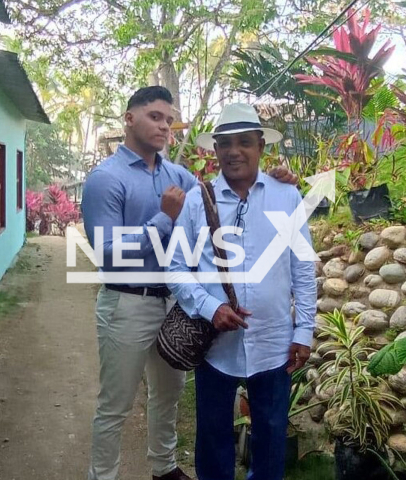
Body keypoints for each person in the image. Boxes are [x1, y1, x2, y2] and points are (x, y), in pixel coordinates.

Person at [81, 87, 298, 480]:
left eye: (169, 119)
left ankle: (163, 468)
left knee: (167, 396)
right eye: (154, 116)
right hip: (128, 302)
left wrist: (276, 178)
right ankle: (103, 476)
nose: (164, 126)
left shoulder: (176, 174)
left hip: (176, 306)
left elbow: (225, 187)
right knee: (116, 405)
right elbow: (107, 253)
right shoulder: (105, 179)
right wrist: (163, 220)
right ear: (129, 118)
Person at [166, 103, 318, 480]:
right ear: (214, 150)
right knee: (213, 437)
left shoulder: (286, 196)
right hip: (214, 345)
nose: (235, 151)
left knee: (270, 436)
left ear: (261, 147)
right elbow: (175, 267)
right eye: (226, 144)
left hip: (274, 343)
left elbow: (302, 267)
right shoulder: (197, 200)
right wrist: (209, 307)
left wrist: (304, 331)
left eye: (245, 143)